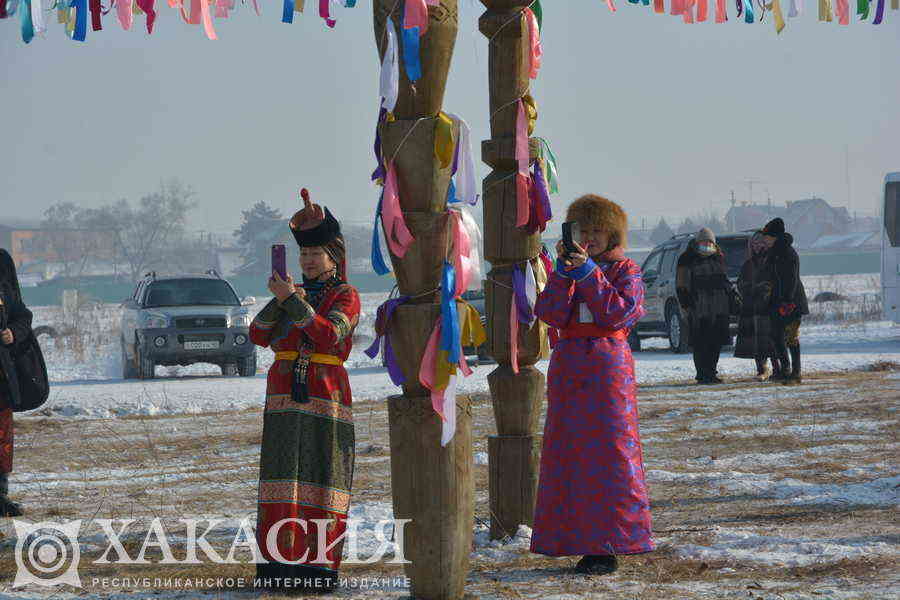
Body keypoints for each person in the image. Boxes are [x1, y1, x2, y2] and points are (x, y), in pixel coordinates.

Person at [531, 195, 654, 576]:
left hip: (607, 367)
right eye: (583, 230)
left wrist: (588, 273)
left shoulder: (626, 270)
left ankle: (611, 542)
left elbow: (618, 313)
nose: (590, 237)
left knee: (609, 453)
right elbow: (548, 313)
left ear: (612, 232)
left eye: (598, 230)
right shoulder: (569, 269)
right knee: (569, 453)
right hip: (569, 364)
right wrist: (564, 273)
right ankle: (572, 540)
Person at [249, 192, 360, 593]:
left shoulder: (345, 295)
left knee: (321, 478)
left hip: (325, 396)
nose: (309, 261)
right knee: (282, 479)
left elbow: (330, 335)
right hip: (282, 398)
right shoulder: (290, 295)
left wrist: (292, 302)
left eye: (316, 253)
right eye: (304, 254)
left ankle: (318, 569)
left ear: (333, 256)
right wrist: (282, 300)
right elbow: (257, 335)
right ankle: (278, 568)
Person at [675, 228, 734, 384]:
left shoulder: (718, 257)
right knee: (701, 343)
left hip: (719, 307)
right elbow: (681, 285)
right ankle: (702, 374)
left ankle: (712, 372)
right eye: (703, 241)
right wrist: (686, 305)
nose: (706, 244)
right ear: (697, 242)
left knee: (716, 342)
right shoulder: (687, 259)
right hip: (698, 308)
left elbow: (724, 279)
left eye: (709, 242)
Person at [760, 218, 809, 384]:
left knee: (791, 337)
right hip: (776, 301)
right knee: (776, 335)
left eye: (766, 237)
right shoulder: (772, 253)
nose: (764, 240)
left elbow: (791, 279)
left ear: (774, 237)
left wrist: (787, 301)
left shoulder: (788, 253)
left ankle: (796, 372)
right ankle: (784, 369)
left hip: (792, 301)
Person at [0, 249, 29, 517]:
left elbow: (23, 316)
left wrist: (14, 332)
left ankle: (1, 497)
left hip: (1, 380)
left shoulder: (3, 290)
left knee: (2, 441)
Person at [734, 232, 777, 381]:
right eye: (755, 243)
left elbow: (774, 282)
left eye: (761, 243)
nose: (758, 246)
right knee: (756, 342)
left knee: (772, 340)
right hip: (751, 307)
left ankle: (778, 368)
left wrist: (764, 289)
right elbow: (740, 283)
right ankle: (761, 369)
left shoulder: (772, 260)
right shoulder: (748, 264)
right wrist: (750, 289)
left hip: (768, 306)